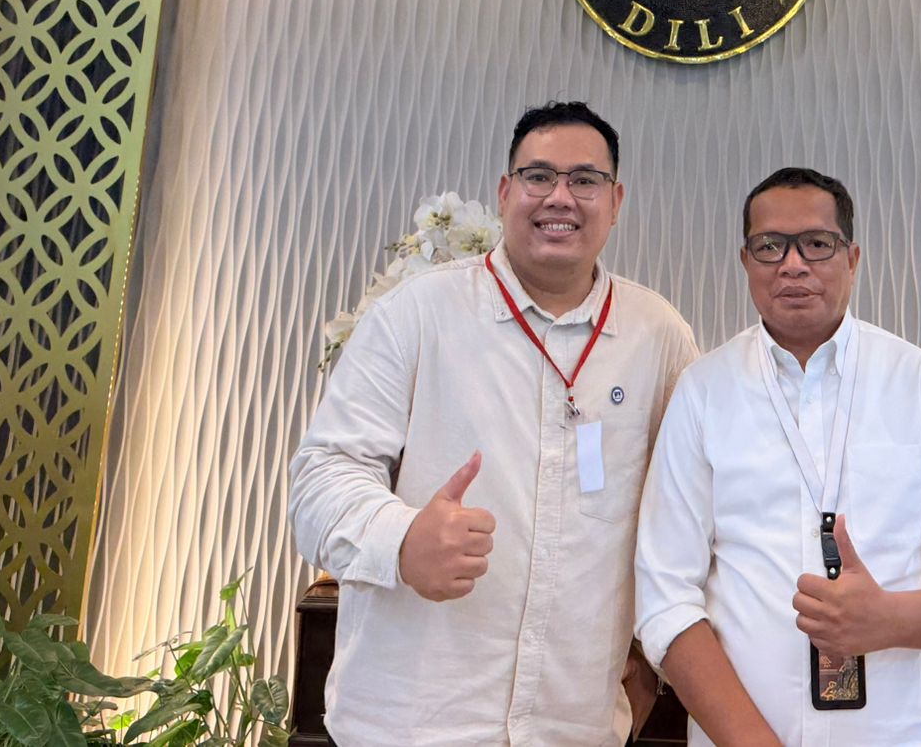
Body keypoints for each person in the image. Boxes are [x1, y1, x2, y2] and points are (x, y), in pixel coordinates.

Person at [289, 101, 699, 746]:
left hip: (575, 725)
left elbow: (687, 510)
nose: (560, 197)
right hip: (410, 723)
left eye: (584, 180)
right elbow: (321, 477)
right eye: (538, 176)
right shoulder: (417, 314)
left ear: (615, 201)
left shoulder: (659, 336)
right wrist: (401, 538)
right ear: (506, 191)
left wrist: (654, 662)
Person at [634, 167, 921, 746]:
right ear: (746, 262)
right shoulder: (703, 391)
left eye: (817, 244)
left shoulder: (918, 382)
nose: (793, 264)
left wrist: (888, 619)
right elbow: (664, 598)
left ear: (852, 257)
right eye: (770, 246)